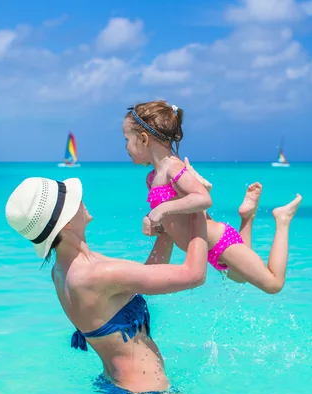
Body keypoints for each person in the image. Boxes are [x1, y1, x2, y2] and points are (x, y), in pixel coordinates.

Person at [5, 176, 208, 394]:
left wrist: (165, 232)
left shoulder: (63, 271)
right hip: (147, 393)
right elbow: (194, 275)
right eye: (76, 200)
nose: (82, 200)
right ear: (67, 223)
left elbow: (145, 278)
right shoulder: (96, 273)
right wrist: (197, 210)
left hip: (116, 384)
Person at [123, 100, 302, 294]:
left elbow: (203, 199)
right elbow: (175, 210)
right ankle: (247, 216)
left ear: (143, 139)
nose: (125, 147)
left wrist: (161, 210)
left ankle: (282, 220)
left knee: (273, 284)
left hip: (220, 241)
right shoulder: (152, 178)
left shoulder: (174, 168)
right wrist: (153, 221)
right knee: (239, 279)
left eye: (127, 140)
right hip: (207, 251)